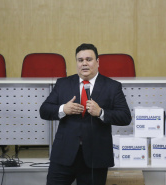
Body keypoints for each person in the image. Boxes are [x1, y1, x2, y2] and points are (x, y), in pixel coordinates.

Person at [40, 43, 132, 185]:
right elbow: (44, 110)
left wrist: (101, 112)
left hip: (96, 157)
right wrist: (63, 109)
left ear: (97, 62)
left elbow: (125, 117)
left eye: (89, 59)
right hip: (64, 154)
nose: (84, 63)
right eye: (80, 60)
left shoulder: (112, 86)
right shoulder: (63, 84)